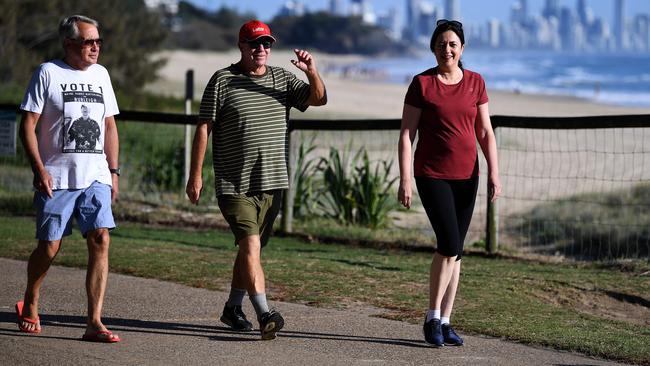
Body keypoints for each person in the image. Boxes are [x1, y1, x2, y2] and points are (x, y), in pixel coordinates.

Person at [186, 20, 327, 340]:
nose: (261, 49)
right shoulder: (223, 80)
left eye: (266, 44)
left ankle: (232, 308)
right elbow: (204, 128)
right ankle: (265, 313)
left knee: (251, 250)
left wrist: (311, 72)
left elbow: (318, 100)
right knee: (250, 244)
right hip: (234, 185)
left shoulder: (282, 78)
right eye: (254, 44)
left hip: (273, 183)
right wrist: (196, 175)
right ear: (241, 46)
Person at [16, 15, 121, 343]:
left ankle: (94, 321)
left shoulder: (101, 75)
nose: (96, 47)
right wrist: (39, 169)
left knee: (101, 239)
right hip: (57, 178)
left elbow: (110, 126)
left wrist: (114, 171)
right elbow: (28, 125)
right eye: (89, 41)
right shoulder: (48, 73)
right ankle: (31, 299)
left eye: (98, 41)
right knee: (49, 247)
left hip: (96, 176)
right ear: (69, 44)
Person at [397, 19, 502, 347]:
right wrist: (404, 179)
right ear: (433, 48)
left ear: (462, 49)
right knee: (449, 245)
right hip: (431, 174)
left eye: (453, 44)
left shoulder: (476, 82)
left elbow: (485, 131)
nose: (447, 49)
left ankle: (445, 319)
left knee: (456, 252)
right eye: (441, 44)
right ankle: (431, 318)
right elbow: (406, 135)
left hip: (468, 175)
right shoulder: (422, 84)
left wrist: (494, 172)